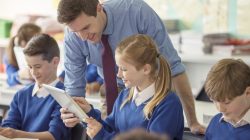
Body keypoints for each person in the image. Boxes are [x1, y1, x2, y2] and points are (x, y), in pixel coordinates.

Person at [57, 0, 204, 133]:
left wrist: (193, 122)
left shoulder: (137, 12)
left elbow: (174, 68)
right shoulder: (73, 35)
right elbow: (75, 90)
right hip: (122, 95)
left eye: (86, 28)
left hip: (152, 90)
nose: (82, 37)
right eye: (75, 32)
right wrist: (75, 111)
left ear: (99, 8)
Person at [60, 34, 184, 140]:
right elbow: (109, 129)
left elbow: (106, 135)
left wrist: (102, 136)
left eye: (124, 69)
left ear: (146, 69)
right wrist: (88, 112)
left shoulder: (168, 104)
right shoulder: (124, 96)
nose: (118, 74)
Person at [0, 34, 70, 140]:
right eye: (29, 67)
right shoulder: (21, 95)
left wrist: (17, 134)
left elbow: (53, 136)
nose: (33, 72)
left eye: (38, 67)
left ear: (55, 62)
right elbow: (9, 126)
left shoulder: (64, 97)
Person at [204, 58, 250, 140]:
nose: (220, 109)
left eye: (227, 102)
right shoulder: (215, 122)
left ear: (248, 93)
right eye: (214, 101)